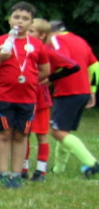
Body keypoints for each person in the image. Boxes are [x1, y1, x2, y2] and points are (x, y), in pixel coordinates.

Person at [0, 2, 50, 188]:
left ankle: (16, 174)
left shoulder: (37, 45)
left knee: (21, 135)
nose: (20, 21)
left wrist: (30, 80)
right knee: (3, 134)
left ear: (31, 23)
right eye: (16, 17)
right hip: (3, 96)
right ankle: (3, 174)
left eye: (25, 19)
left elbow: (45, 69)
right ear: (9, 19)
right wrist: (0, 58)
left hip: (28, 98)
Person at [21, 19, 79, 181]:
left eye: (32, 31)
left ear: (42, 35)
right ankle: (23, 168)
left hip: (40, 99)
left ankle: (41, 171)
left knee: (41, 135)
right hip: (24, 96)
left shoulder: (47, 50)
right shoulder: (23, 47)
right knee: (23, 133)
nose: (27, 33)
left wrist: (51, 77)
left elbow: (73, 66)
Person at [45, 20, 99, 177]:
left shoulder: (55, 40)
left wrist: (49, 77)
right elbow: (95, 66)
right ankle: (58, 169)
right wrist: (92, 90)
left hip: (68, 90)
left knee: (57, 131)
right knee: (64, 129)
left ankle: (92, 163)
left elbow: (62, 59)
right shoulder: (79, 40)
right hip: (82, 91)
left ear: (50, 32)